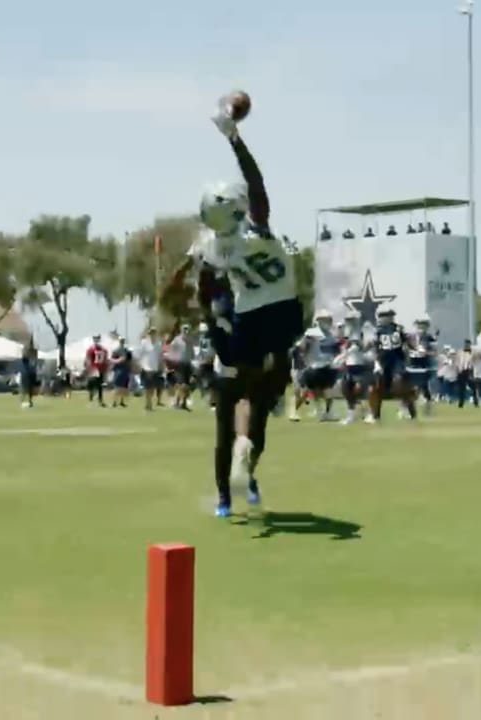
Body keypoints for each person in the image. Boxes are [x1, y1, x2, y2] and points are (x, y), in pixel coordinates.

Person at [159, 98, 304, 517]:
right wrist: (234, 138)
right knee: (257, 404)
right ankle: (245, 458)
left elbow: (203, 292)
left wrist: (201, 315)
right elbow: (257, 185)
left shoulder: (217, 247)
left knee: (230, 409)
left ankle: (227, 490)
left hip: (248, 323)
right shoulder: (258, 228)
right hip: (286, 313)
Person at [366, 307, 417, 423]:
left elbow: (408, 341)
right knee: (378, 386)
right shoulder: (377, 331)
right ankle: (375, 415)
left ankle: (411, 412)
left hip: (397, 360)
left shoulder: (398, 329)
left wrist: (415, 348)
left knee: (400, 384)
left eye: (389, 316)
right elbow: (372, 346)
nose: (387, 319)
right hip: (383, 361)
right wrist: (374, 360)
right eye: (384, 316)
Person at [137, 327, 163, 411]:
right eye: (151, 333)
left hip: (154, 368)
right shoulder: (144, 342)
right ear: (149, 334)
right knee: (147, 387)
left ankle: (149, 402)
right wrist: (140, 365)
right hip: (146, 368)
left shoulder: (158, 344)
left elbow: (160, 356)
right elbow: (140, 355)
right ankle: (148, 404)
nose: (152, 334)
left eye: (154, 332)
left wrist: (160, 367)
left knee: (152, 388)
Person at [84, 335, 108, 407]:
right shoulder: (102, 349)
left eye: (97, 338)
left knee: (98, 385)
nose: (96, 340)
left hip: (98, 369)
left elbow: (88, 359)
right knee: (95, 385)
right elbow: (88, 359)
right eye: (95, 338)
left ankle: (98, 400)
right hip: (95, 369)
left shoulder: (93, 349)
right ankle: (96, 399)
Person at [110, 338, 133, 408]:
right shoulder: (116, 351)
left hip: (125, 370)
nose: (122, 342)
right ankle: (114, 402)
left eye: (123, 341)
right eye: (121, 341)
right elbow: (112, 359)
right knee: (117, 386)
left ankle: (121, 402)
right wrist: (119, 360)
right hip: (118, 370)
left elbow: (130, 360)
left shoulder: (127, 351)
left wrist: (130, 369)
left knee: (124, 387)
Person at [19, 339, 38, 408]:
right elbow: (24, 359)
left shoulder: (34, 352)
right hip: (27, 372)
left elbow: (34, 361)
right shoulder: (26, 354)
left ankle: (29, 401)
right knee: (25, 387)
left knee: (30, 388)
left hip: (31, 372)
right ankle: (23, 401)